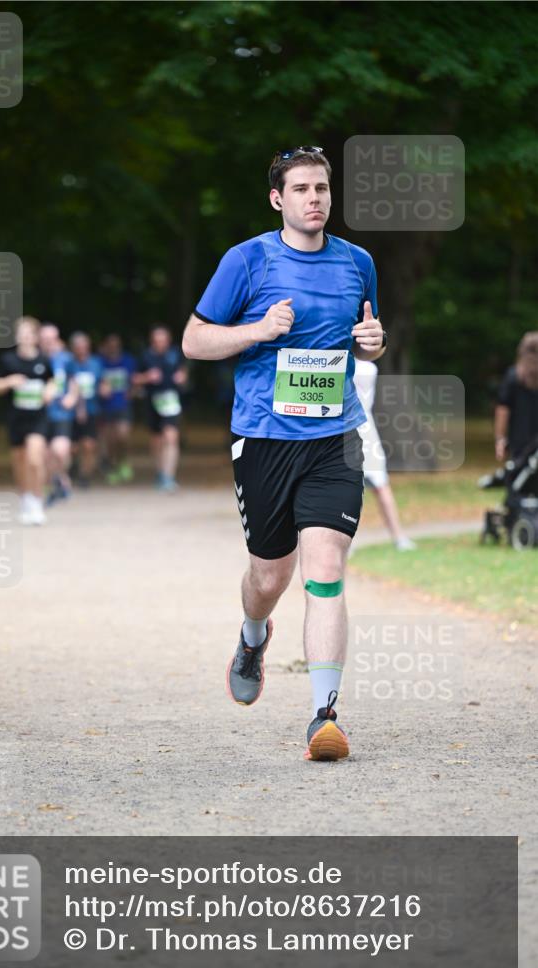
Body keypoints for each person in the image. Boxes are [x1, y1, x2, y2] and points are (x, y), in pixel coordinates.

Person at [182, 146, 386, 762]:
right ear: (278, 199)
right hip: (265, 440)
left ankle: (325, 716)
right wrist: (257, 331)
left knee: (324, 569)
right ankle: (252, 636)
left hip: (335, 440)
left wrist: (374, 343)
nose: (314, 199)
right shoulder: (246, 261)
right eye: (300, 189)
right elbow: (194, 340)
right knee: (270, 577)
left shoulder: (358, 263)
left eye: (322, 188)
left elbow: (368, 338)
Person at [0, 316, 56, 525]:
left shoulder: (43, 360)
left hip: (38, 417)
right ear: (17, 336)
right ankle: (25, 498)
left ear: (36, 337)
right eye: (22, 333)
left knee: (35, 458)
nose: (26, 337)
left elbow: (53, 381)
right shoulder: (8, 360)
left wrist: (49, 391)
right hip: (16, 417)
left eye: (30, 333)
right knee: (19, 461)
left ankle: (37, 501)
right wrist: (10, 381)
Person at [353, 360, 416, 551]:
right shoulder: (367, 367)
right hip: (357, 431)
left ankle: (399, 537)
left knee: (378, 486)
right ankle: (398, 537)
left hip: (361, 431)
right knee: (366, 489)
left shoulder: (364, 368)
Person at [135, 323, 188, 491]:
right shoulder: (145, 357)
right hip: (152, 401)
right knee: (156, 440)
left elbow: (183, 371)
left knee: (171, 436)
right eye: (157, 340)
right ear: (152, 341)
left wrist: (182, 377)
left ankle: (169, 476)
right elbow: (134, 379)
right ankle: (160, 472)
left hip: (171, 400)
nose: (160, 343)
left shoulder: (175, 354)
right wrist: (147, 377)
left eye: (163, 340)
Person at [39, 323, 78, 505]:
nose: (48, 342)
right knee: (45, 455)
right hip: (40, 413)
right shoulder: (35, 359)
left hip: (61, 412)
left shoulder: (66, 359)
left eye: (51, 339)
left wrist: (71, 396)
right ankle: (55, 484)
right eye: (44, 339)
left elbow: (73, 381)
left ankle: (61, 477)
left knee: (60, 451)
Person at [69, 331, 108, 485]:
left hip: (92, 410)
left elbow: (103, 381)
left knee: (89, 444)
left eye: (84, 346)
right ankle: (73, 466)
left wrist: (105, 388)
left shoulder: (96, 363)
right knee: (72, 447)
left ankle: (85, 476)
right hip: (71, 412)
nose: (81, 349)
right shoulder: (69, 364)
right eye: (78, 346)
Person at [98, 333, 136, 485]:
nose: (113, 347)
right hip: (105, 407)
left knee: (122, 436)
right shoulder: (100, 362)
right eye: (110, 344)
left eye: (116, 344)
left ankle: (123, 460)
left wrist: (131, 392)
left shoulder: (128, 361)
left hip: (123, 406)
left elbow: (135, 380)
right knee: (109, 440)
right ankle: (113, 465)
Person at [495, 331, 538, 463]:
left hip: (522, 442)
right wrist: (500, 439)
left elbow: (503, 409)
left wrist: (500, 439)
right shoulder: (513, 377)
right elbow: (503, 409)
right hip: (523, 444)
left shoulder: (513, 376)